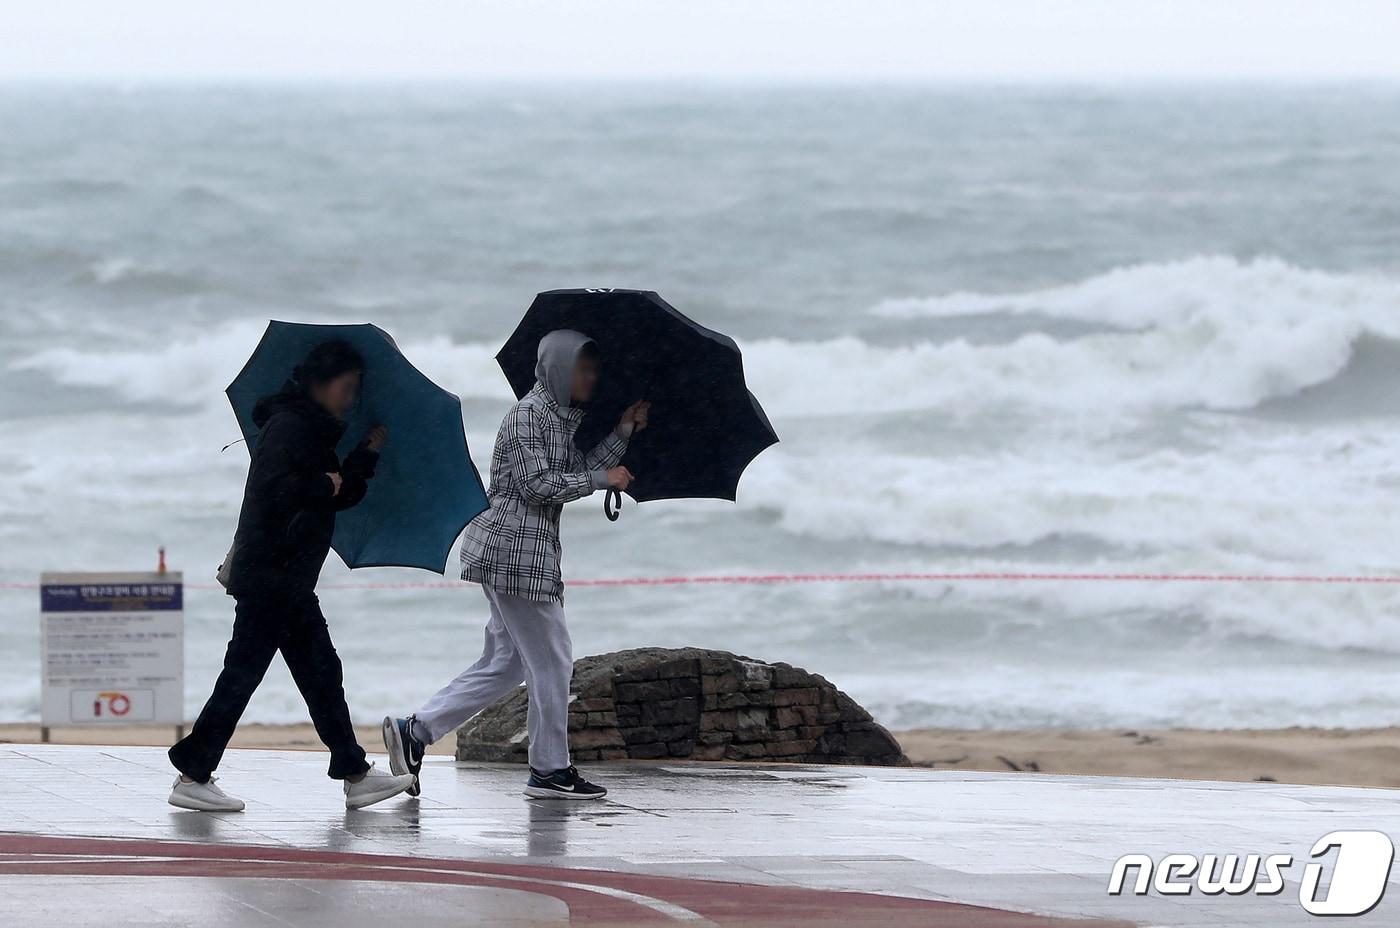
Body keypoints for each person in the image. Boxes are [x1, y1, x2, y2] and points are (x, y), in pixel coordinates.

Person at [383, 329, 648, 800]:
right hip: (516, 555)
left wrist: (622, 433)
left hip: (518, 553)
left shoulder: (557, 418)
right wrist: (597, 478)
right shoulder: (529, 415)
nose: (592, 377)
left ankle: (416, 731)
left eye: (593, 369)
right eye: (583, 368)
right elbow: (537, 486)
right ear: (559, 368)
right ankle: (549, 769)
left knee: (506, 662)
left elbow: (571, 469)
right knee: (553, 660)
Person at [168, 340, 416, 812]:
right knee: (259, 676)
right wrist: (326, 481)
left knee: (314, 674)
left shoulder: (313, 429)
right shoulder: (290, 426)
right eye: (346, 388)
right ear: (320, 385)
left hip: (286, 577)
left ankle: (351, 770)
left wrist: (362, 457)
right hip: (273, 575)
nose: (350, 398)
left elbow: (333, 499)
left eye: (354, 389)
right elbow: (273, 492)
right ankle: (195, 773)